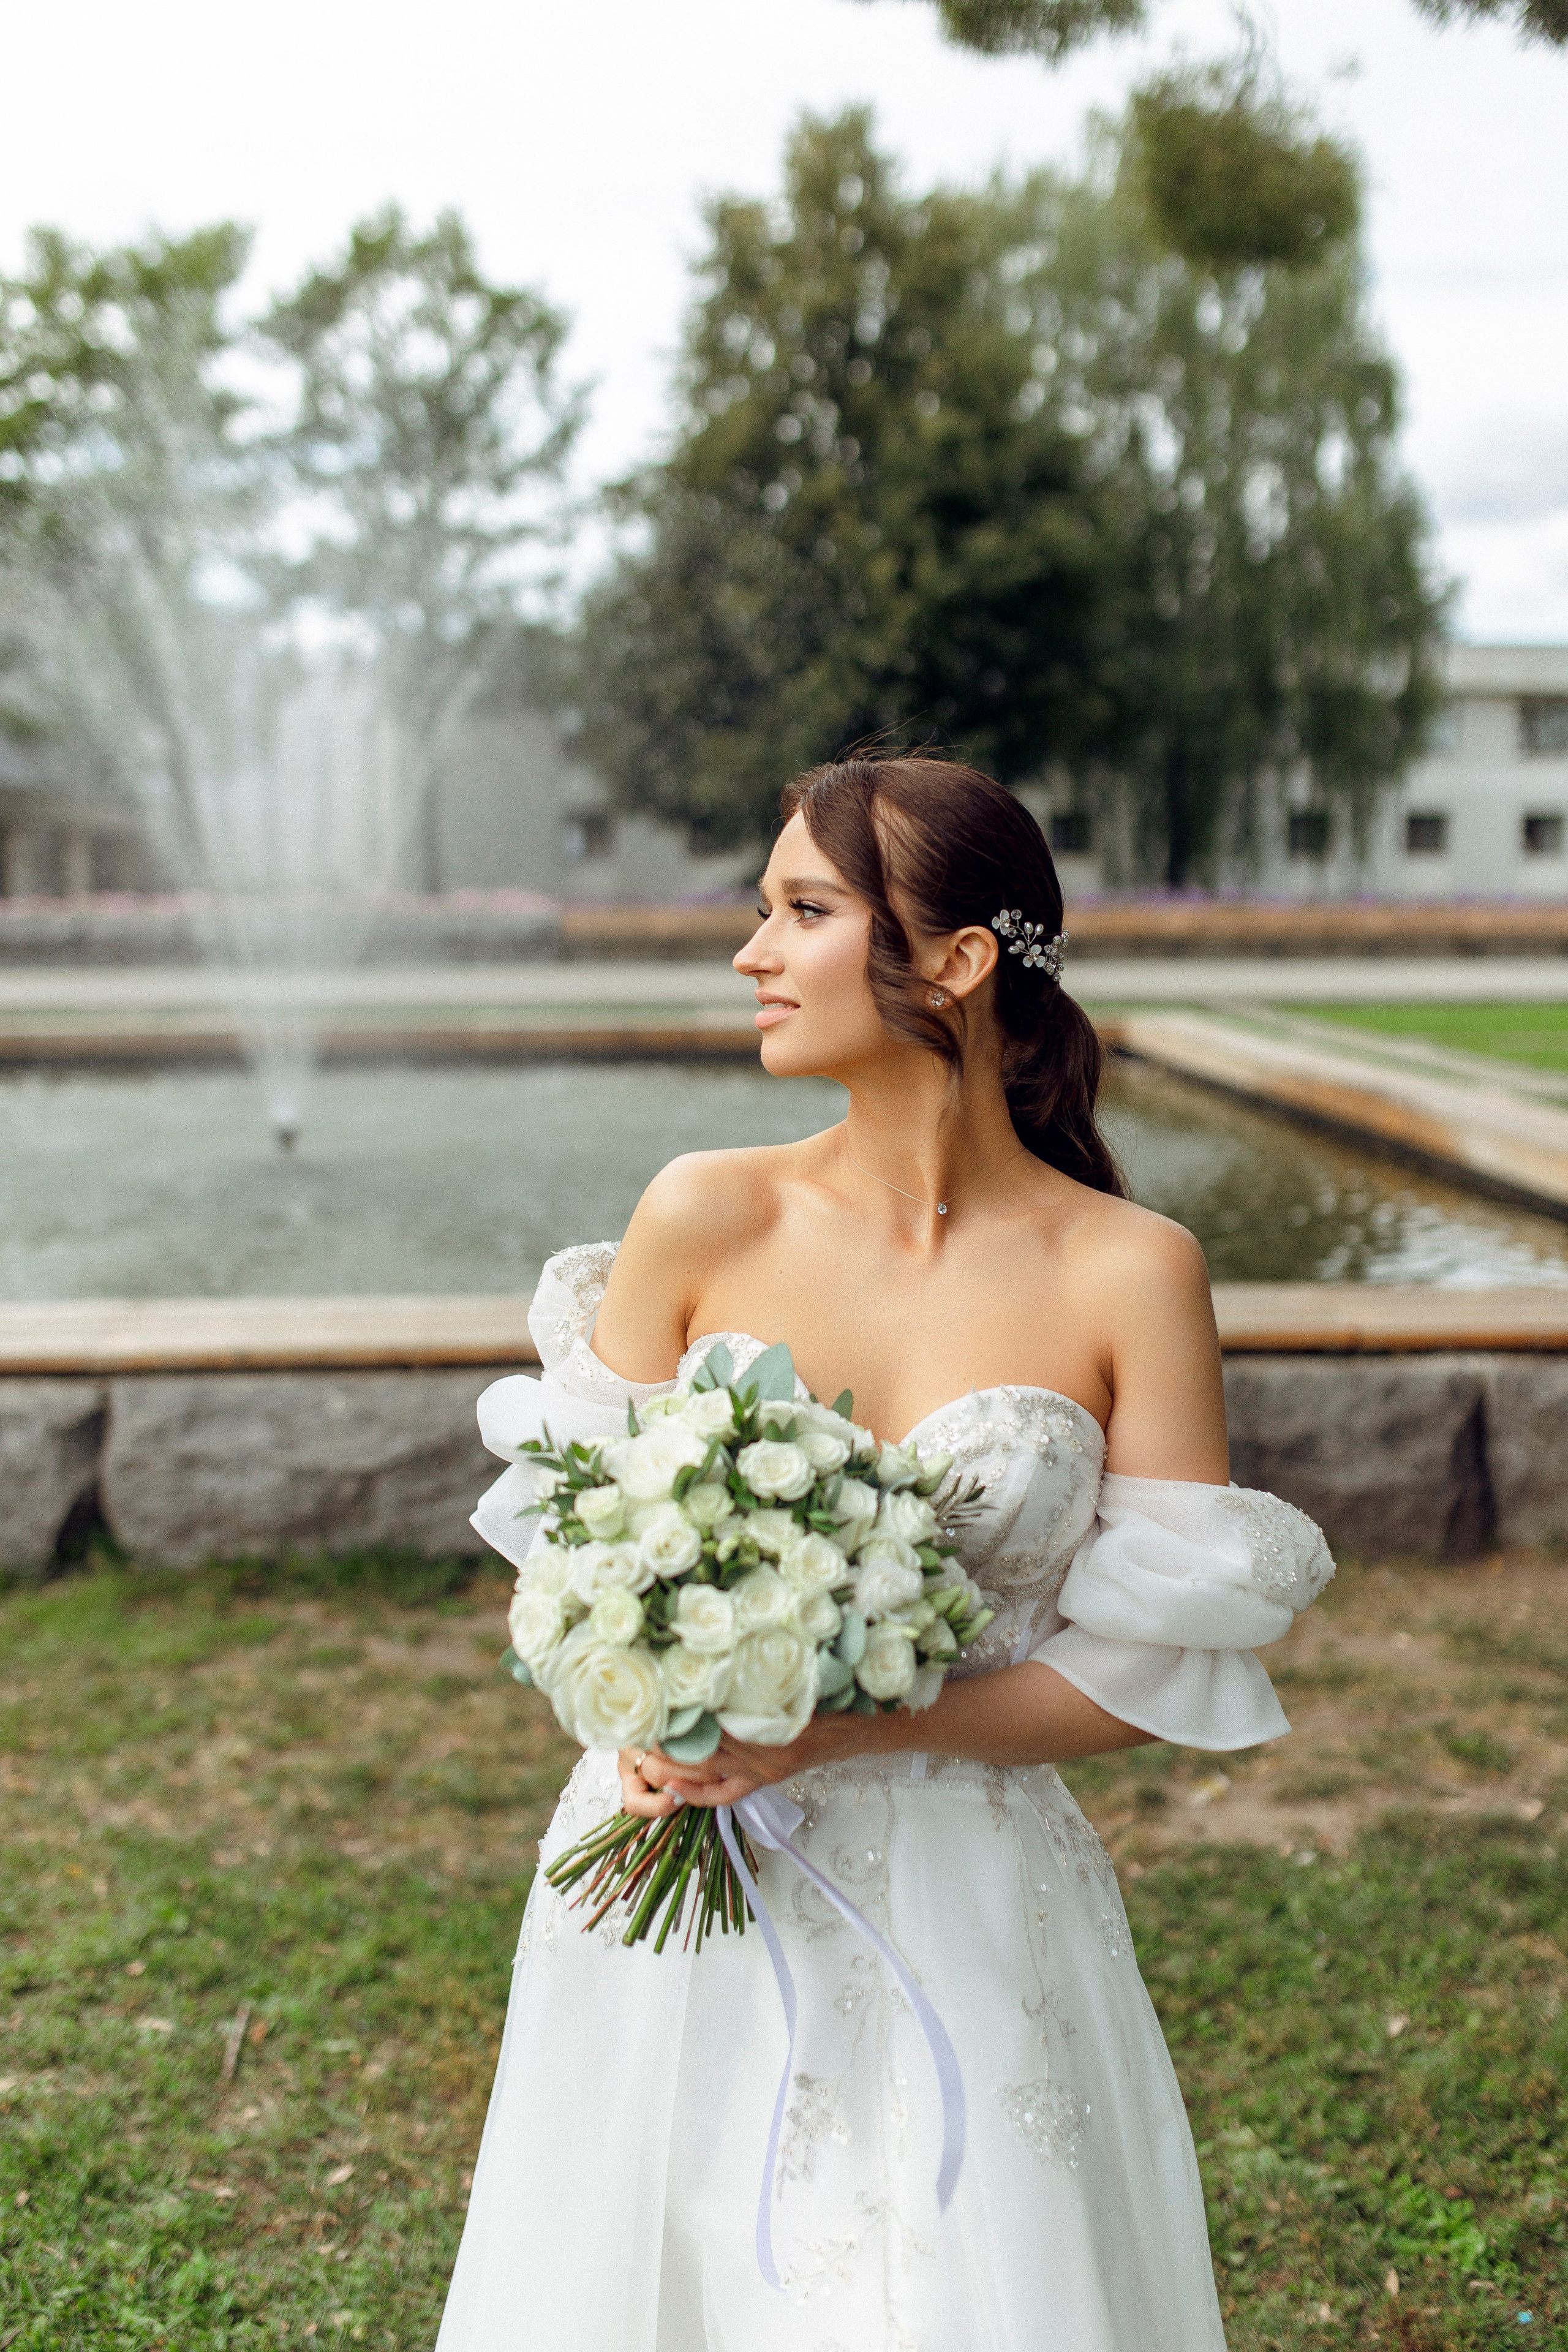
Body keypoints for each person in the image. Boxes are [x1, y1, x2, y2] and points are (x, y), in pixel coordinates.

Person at [437, 756, 1334, 2351]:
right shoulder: (700, 1217)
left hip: (971, 1896)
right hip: (675, 1889)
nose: (751, 952)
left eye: (804, 909)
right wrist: (640, 1709)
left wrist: (856, 1724)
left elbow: (1146, 1668)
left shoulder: (1135, 1272)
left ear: (956, 960)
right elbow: (572, 1554)